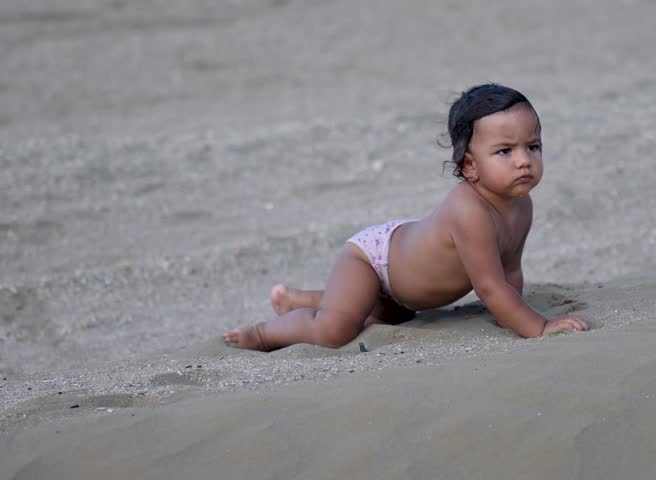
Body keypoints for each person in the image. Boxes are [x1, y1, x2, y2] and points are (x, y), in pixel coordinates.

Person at [224, 83, 588, 351]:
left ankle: (299, 299)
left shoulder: (521, 205)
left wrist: (514, 309)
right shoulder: (469, 210)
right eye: (505, 151)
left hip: (403, 292)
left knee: (390, 316)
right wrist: (537, 327)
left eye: (533, 146)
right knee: (335, 331)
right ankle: (262, 333)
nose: (524, 160)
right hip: (374, 260)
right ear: (469, 166)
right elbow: (490, 287)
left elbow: (509, 272)